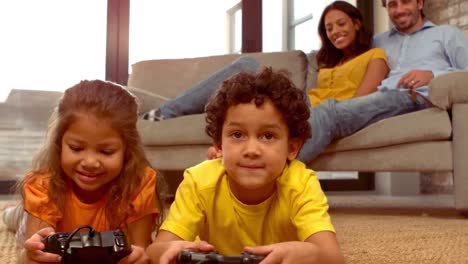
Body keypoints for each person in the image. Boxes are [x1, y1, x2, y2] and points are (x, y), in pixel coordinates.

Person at [146, 67, 345, 264]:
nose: (251, 150)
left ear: (292, 148)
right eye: (237, 135)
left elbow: (334, 258)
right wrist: (171, 249)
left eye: (268, 136)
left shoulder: (301, 184)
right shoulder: (199, 182)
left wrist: (309, 253)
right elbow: (155, 251)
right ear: (218, 145)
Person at [142, 1, 389, 122]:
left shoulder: (374, 57)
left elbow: (361, 104)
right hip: (301, 104)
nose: (335, 32)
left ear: (357, 23)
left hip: (319, 113)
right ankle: (178, 109)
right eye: (330, 28)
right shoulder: (329, 63)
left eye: (341, 24)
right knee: (245, 80)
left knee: (247, 65)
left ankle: (166, 112)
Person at [2, 80, 161, 264]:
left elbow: (140, 250)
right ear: (59, 144)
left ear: (127, 150)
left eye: (106, 151)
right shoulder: (42, 186)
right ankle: (10, 213)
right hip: (31, 215)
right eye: (76, 148)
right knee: (16, 219)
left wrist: (139, 256)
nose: (90, 162)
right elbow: (37, 255)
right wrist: (29, 256)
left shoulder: (139, 183)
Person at [295, 0, 468, 163]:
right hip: (382, 97)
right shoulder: (377, 41)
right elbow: (348, 55)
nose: (399, 10)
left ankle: (277, 172)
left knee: (328, 112)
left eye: (406, 1)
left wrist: (433, 75)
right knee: (294, 105)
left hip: (417, 97)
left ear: (420, 3)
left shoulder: (447, 34)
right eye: (392, 4)